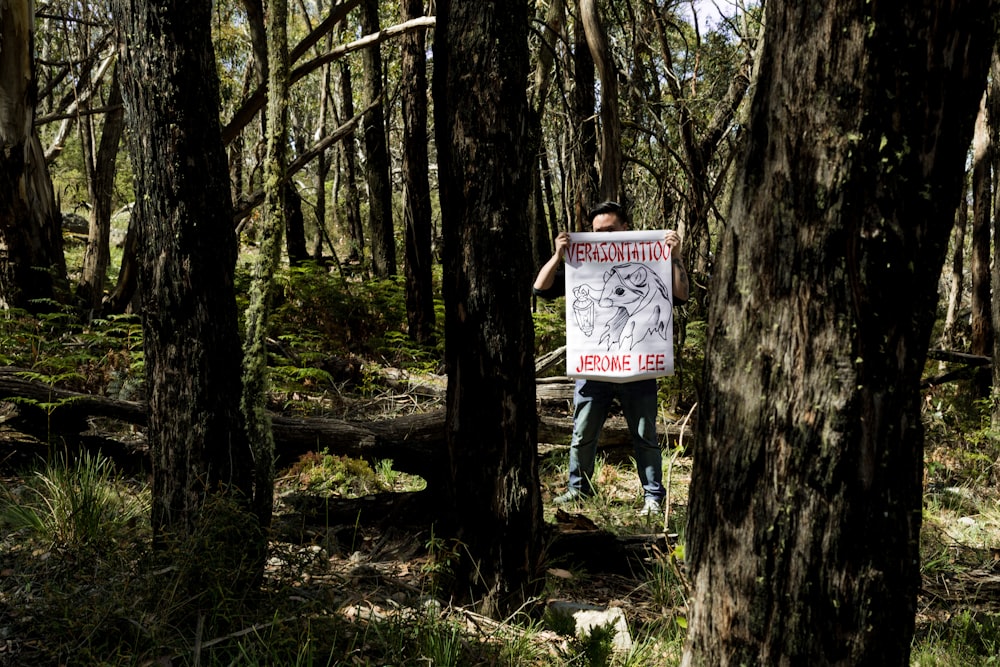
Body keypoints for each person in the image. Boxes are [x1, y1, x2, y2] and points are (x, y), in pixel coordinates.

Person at [533, 200, 689, 516]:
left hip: (639, 369)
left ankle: (653, 496)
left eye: (609, 231)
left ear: (626, 230)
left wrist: (675, 257)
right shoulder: (583, 263)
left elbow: (682, 295)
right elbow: (540, 288)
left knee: (645, 434)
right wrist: (557, 255)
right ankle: (578, 490)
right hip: (594, 369)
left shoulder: (650, 263)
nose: (602, 237)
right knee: (583, 432)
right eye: (596, 232)